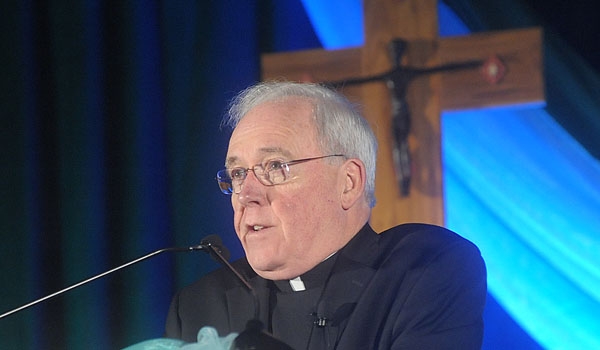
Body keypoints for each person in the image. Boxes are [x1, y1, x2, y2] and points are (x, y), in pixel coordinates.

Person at [165, 81, 487, 349]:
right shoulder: (199, 306)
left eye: (275, 167)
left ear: (348, 183)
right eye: (237, 173)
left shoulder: (424, 269)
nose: (247, 195)